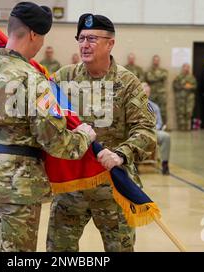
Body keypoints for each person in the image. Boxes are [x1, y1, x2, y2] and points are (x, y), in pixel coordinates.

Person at [0, 2, 96, 252]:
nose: (41, 44)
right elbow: (54, 139)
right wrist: (83, 136)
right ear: (34, 34)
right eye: (42, 38)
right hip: (16, 189)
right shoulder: (32, 79)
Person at [46, 13, 157, 252]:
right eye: (81, 38)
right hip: (72, 187)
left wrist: (121, 154)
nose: (85, 44)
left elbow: (146, 130)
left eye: (92, 39)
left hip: (112, 187)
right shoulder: (63, 79)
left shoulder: (127, 83)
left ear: (110, 43)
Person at [142, 82, 170, 175]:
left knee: (166, 136)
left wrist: (153, 129)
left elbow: (160, 123)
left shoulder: (154, 107)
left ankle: (165, 164)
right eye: (144, 91)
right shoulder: (132, 106)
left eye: (147, 92)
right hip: (137, 132)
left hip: (153, 131)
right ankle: (134, 165)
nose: (146, 94)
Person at [145, 55, 168, 127]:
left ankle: (163, 125)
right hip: (152, 93)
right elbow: (149, 78)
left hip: (161, 94)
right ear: (153, 61)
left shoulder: (163, 70)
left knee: (163, 110)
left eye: (157, 60)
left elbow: (165, 76)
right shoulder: (149, 70)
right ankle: (152, 125)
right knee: (151, 109)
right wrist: (159, 77)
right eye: (155, 60)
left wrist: (154, 77)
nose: (156, 61)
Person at [173, 63, 197, 131]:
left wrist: (190, 87)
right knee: (181, 113)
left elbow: (195, 86)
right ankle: (181, 128)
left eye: (187, 67)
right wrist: (183, 86)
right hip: (180, 98)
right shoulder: (178, 77)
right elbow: (175, 86)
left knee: (188, 113)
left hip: (189, 98)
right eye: (185, 67)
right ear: (182, 68)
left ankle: (187, 128)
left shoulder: (192, 77)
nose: (186, 69)